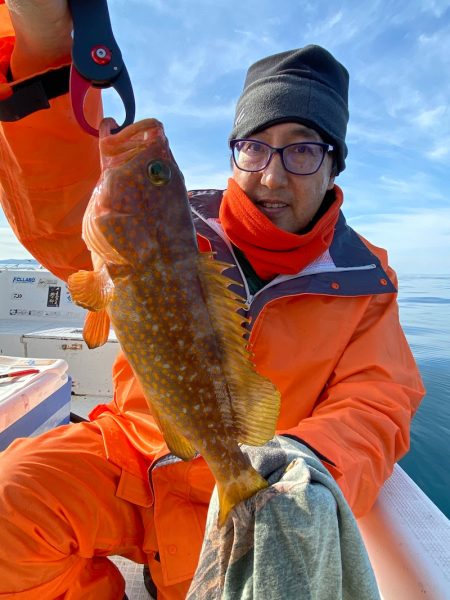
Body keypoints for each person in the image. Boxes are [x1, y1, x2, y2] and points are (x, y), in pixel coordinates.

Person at [0, 2, 425, 599]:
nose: (273, 177)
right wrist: (44, 52)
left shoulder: (364, 279)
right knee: (11, 499)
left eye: (302, 151)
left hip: (256, 476)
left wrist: (303, 465)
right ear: (234, 153)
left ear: (334, 166)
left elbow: (380, 399)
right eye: (255, 148)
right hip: (137, 457)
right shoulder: (175, 222)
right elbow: (61, 207)